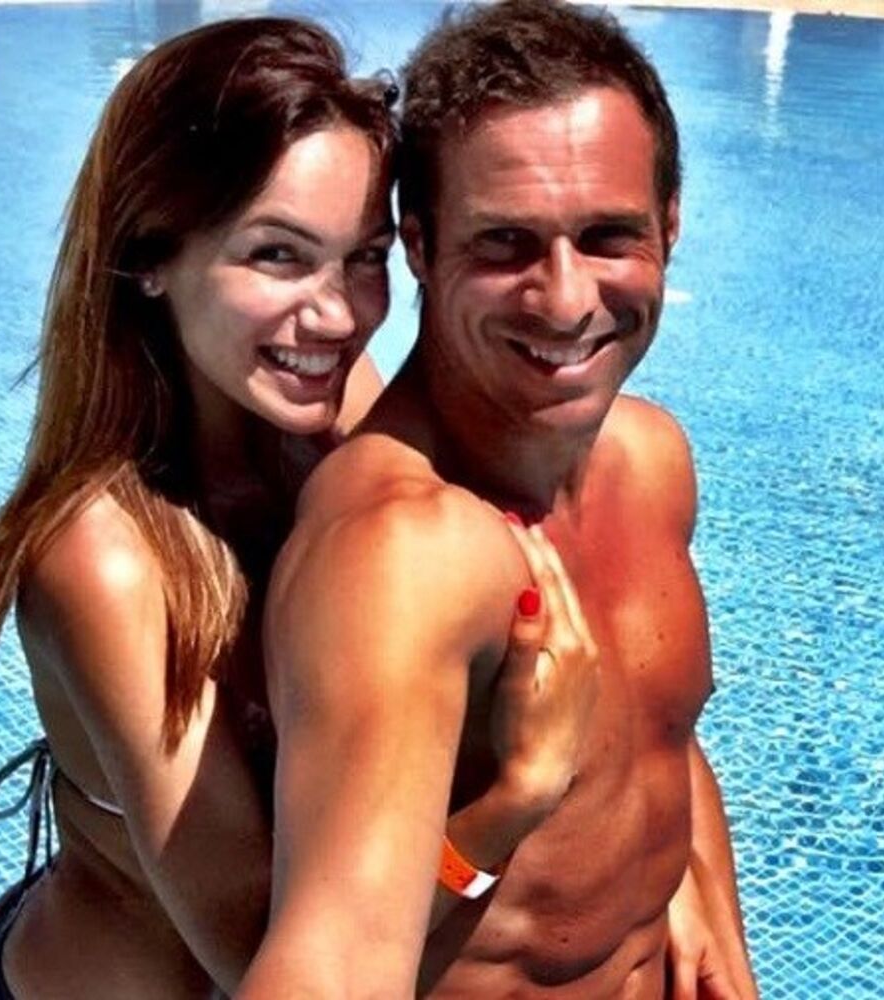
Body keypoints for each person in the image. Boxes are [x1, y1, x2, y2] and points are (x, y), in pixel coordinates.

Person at [0, 18, 603, 999]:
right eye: (278, 257)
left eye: (365, 257)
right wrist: (516, 803)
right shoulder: (104, 558)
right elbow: (260, 956)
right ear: (150, 254)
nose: (337, 317)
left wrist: (670, 872)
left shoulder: (335, 417)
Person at [240, 1, 757, 996]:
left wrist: (710, 908)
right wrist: (514, 801)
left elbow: (662, 735)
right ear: (420, 247)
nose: (565, 299)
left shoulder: (650, 461)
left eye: (608, 236)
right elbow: (333, 960)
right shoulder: (405, 552)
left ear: (671, 225)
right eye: (506, 245)